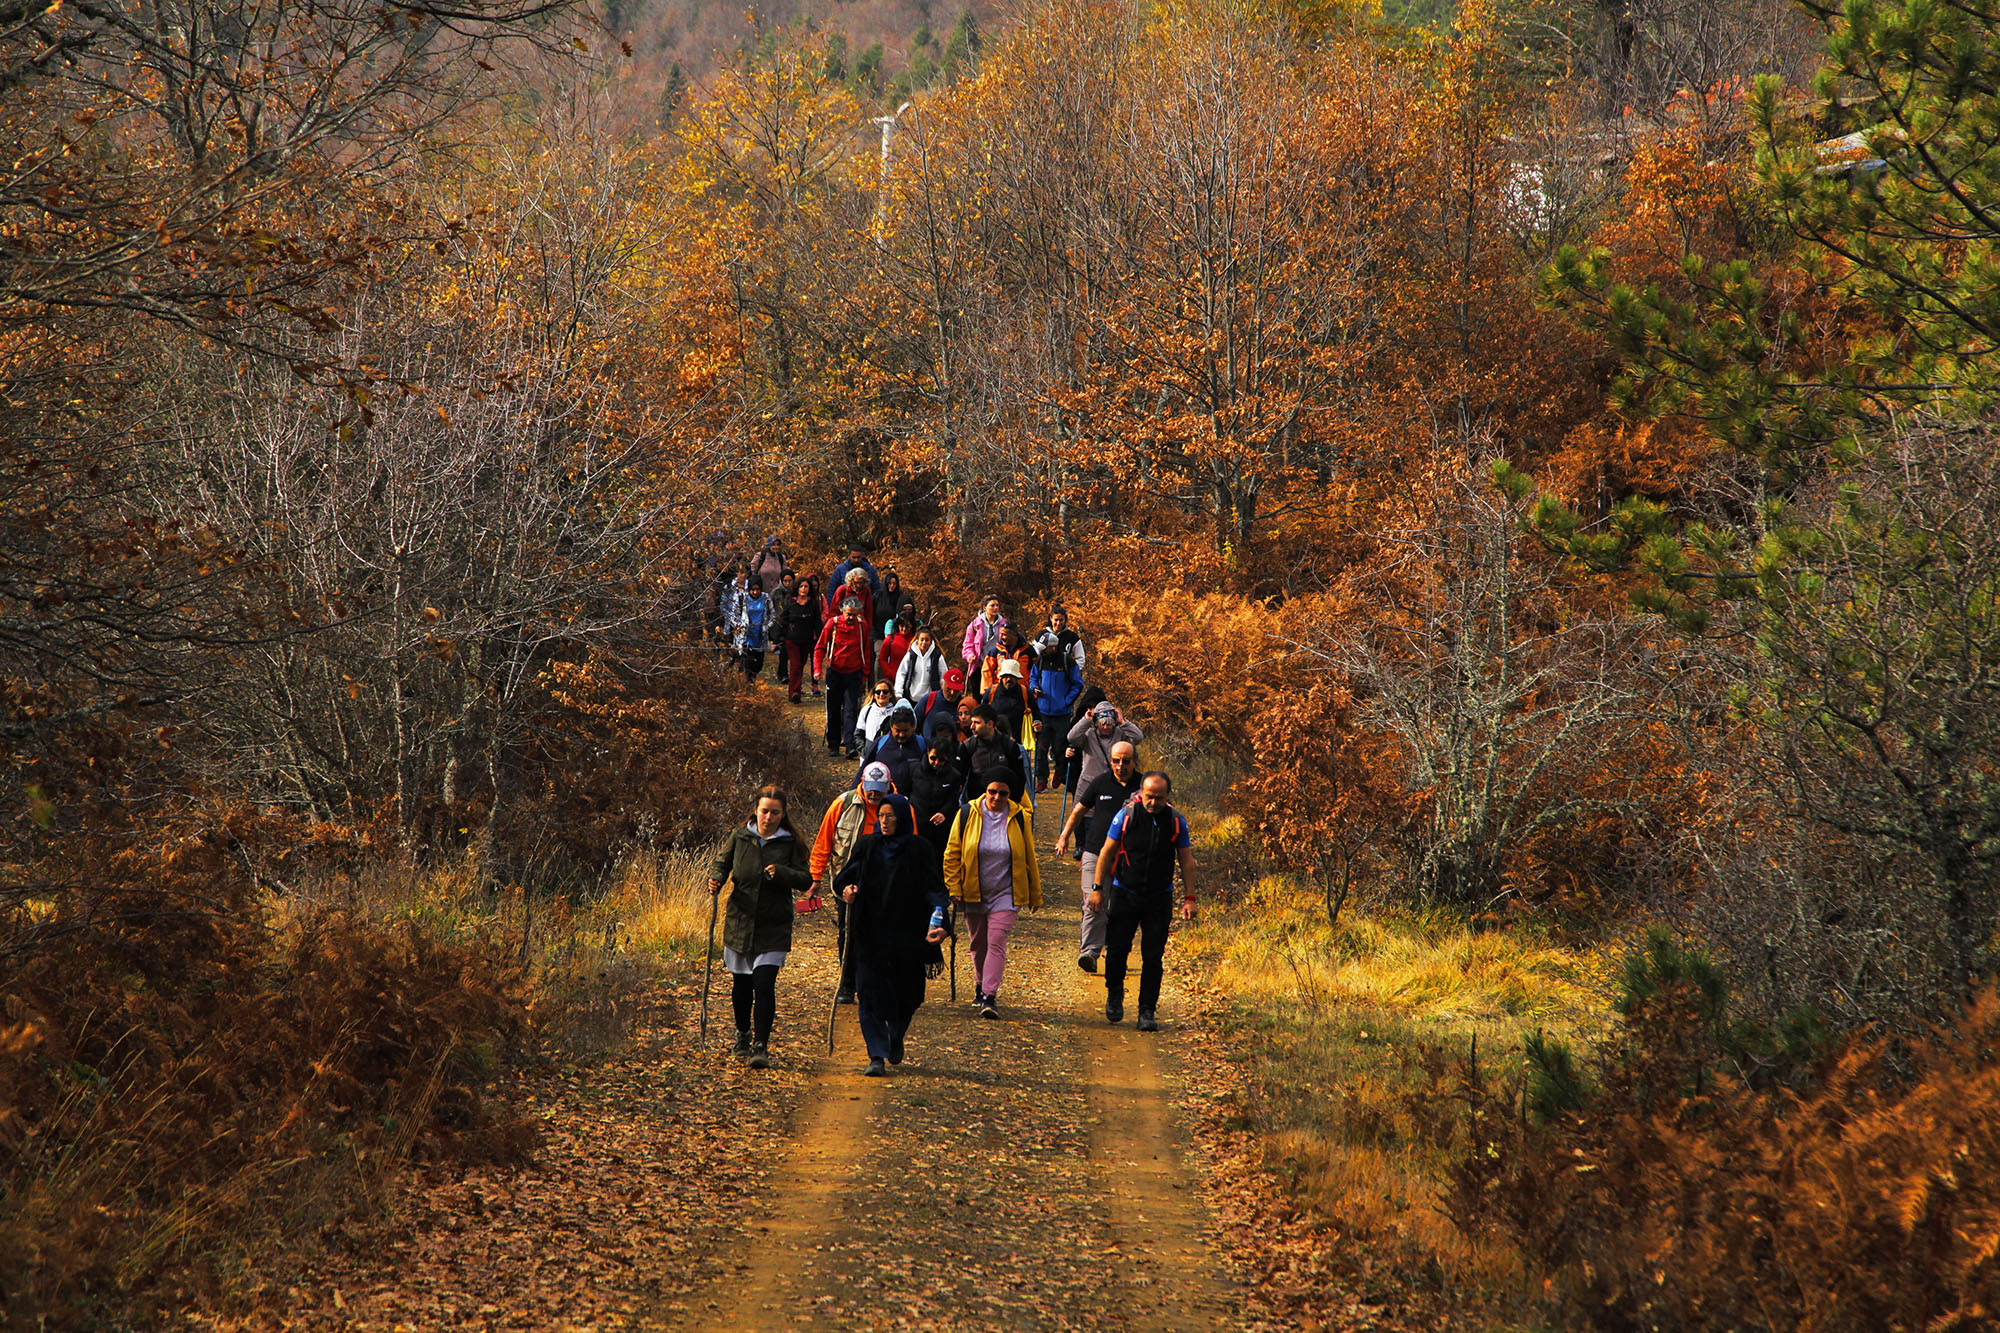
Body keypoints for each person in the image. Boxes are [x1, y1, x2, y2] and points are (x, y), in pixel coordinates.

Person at [835, 794, 949, 1076]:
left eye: (890, 816)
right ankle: (876, 1054)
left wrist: (941, 922)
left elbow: (934, 888)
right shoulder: (868, 845)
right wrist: (848, 890)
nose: (884, 821)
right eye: (881, 816)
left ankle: (895, 1034)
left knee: (909, 994)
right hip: (870, 933)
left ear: (902, 818)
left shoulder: (919, 848)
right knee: (869, 994)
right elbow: (844, 877)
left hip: (908, 935)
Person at [708, 786, 813, 1067]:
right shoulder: (740, 836)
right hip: (740, 922)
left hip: (773, 924)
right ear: (756, 811)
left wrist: (782, 873)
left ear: (783, 814)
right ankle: (743, 1034)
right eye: (764, 811)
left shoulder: (790, 843)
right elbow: (722, 863)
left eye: (775, 812)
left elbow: (805, 879)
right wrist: (716, 879)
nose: (768, 817)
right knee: (742, 985)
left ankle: (761, 1045)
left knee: (764, 984)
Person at [1092, 771, 1196, 1031]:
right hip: (1124, 892)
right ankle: (1114, 992)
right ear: (1141, 793)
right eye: (1149, 796)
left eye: (1159, 797)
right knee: (1117, 950)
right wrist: (1097, 889)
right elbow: (1106, 852)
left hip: (1158, 897)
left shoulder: (1176, 821)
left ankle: (1147, 1010)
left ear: (1167, 796)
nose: (1154, 802)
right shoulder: (1125, 816)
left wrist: (1190, 898)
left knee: (1153, 956)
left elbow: (1186, 860)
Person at [942, 774, 1042, 1018]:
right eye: (992, 792)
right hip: (973, 891)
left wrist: (1035, 893)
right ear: (985, 791)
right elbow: (952, 853)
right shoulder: (967, 814)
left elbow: (1029, 855)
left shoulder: (1019, 817)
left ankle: (989, 995)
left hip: (1006, 893)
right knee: (978, 944)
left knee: (996, 941)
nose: (996, 797)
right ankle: (980, 983)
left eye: (1003, 793)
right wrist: (954, 888)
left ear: (1010, 795)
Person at [811, 763, 894, 1005]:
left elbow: (912, 843)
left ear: (889, 786)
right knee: (848, 933)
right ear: (862, 783)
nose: (874, 794)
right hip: (847, 881)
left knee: (880, 933)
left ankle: (876, 983)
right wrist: (815, 877)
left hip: (885, 883)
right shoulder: (843, 804)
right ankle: (847, 985)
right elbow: (824, 842)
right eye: (870, 788)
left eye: (879, 789)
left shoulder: (899, 807)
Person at [1054, 741, 1140, 972]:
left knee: (1120, 908)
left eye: (1126, 761)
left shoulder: (1144, 786)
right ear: (1110, 761)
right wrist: (1064, 837)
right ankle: (1090, 952)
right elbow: (1079, 810)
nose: (1120, 766)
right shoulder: (1100, 782)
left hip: (1129, 858)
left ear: (1134, 761)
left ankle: (1116, 951)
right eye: (1116, 761)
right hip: (1095, 852)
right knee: (1094, 901)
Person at [1030, 611, 1085, 793]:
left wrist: (1066, 701)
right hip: (1043, 711)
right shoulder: (1039, 661)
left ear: (1053, 647)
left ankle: (1059, 773)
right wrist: (1034, 688)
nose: (1042, 651)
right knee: (1041, 748)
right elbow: (1033, 678)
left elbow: (1077, 684)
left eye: (1044, 648)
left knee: (1060, 747)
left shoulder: (1067, 661)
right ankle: (1041, 780)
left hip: (1062, 713)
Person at [813, 596, 872, 759]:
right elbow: (820, 647)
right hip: (835, 672)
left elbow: (866, 651)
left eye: (854, 614)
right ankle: (833, 744)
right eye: (848, 614)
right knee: (833, 710)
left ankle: (850, 745)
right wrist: (817, 669)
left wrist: (865, 675)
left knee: (851, 710)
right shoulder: (832, 624)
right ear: (842, 611)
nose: (851, 618)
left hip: (854, 673)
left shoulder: (862, 626)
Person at [958, 705, 1029, 805]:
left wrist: (1014, 801)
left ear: (990, 724)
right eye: (972, 722)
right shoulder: (968, 746)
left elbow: (1020, 777)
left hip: (1004, 803)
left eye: (977, 723)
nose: (972, 727)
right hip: (977, 804)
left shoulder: (1009, 745)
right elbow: (960, 777)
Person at [1067, 700, 1144, 791]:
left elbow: (1138, 737)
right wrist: (1086, 720)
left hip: (1114, 782)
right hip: (1088, 782)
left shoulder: (1121, 734)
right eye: (1102, 724)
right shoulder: (1089, 735)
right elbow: (1072, 737)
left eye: (1109, 724)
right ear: (1096, 723)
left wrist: (1123, 722)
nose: (1105, 727)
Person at [909, 741, 964, 868]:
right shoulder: (914, 769)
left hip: (940, 828)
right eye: (933, 758)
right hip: (917, 824)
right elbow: (905, 792)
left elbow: (953, 799)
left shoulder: (954, 776)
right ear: (928, 753)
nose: (936, 763)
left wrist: (944, 813)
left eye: (941, 760)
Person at [774, 575, 823, 704]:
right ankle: (794, 693)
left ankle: (796, 689)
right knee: (795, 665)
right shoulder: (790, 602)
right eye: (801, 586)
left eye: (806, 586)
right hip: (792, 639)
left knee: (800, 666)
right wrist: (777, 638)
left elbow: (817, 622)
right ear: (797, 588)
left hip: (807, 639)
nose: (803, 589)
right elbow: (782, 620)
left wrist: (820, 638)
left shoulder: (813, 603)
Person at [860, 702, 927, 796]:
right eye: (898, 731)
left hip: (913, 799)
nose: (901, 735)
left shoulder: (922, 744)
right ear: (891, 727)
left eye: (906, 731)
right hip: (883, 798)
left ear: (913, 727)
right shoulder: (880, 743)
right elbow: (864, 770)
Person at [729, 574, 773, 681]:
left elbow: (772, 616)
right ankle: (747, 684)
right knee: (747, 664)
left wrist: (766, 626)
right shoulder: (742, 598)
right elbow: (733, 615)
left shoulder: (766, 598)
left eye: (757, 589)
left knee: (758, 664)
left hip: (760, 637)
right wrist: (740, 626)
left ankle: (752, 680)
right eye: (752, 590)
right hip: (746, 638)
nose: (755, 592)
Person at [984, 656, 1033, 749]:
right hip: (995, 743)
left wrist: (1037, 723)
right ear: (1001, 677)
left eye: (1012, 676)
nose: (1008, 679)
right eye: (1006, 676)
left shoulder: (1025, 693)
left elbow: (1036, 713)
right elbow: (982, 715)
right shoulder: (991, 693)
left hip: (1019, 743)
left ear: (1017, 677)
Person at [915, 667, 967, 751]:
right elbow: (914, 724)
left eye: (956, 690)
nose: (952, 693)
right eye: (949, 689)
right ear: (942, 684)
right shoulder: (929, 699)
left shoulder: (964, 705)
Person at [894, 625, 947, 707]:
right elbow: (901, 673)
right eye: (921, 640)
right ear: (917, 641)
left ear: (931, 641)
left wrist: (944, 692)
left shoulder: (937, 655)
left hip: (930, 698)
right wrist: (898, 693)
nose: (924, 643)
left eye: (927, 640)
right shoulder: (911, 655)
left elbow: (944, 675)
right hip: (912, 697)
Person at [959, 596, 1007, 676]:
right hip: (979, 666)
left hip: (999, 666)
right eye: (992, 605)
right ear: (984, 607)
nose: (995, 608)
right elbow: (967, 645)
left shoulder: (1004, 625)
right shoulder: (974, 625)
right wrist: (970, 655)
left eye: (997, 605)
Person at [854, 679, 898, 755]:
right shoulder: (866, 710)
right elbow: (858, 735)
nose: (881, 694)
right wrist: (864, 750)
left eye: (885, 691)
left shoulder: (896, 711)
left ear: (890, 694)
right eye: (878, 692)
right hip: (869, 757)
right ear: (874, 695)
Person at [877, 611, 917, 686]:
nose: (904, 629)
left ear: (912, 626)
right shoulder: (890, 639)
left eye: (907, 627)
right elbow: (882, 659)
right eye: (902, 626)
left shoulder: (916, 641)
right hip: (893, 680)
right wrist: (889, 673)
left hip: (912, 680)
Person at [877, 568, 915, 636]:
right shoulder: (877, 596)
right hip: (878, 631)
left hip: (898, 626)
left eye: (894, 583)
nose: (892, 585)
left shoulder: (900, 597)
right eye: (890, 583)